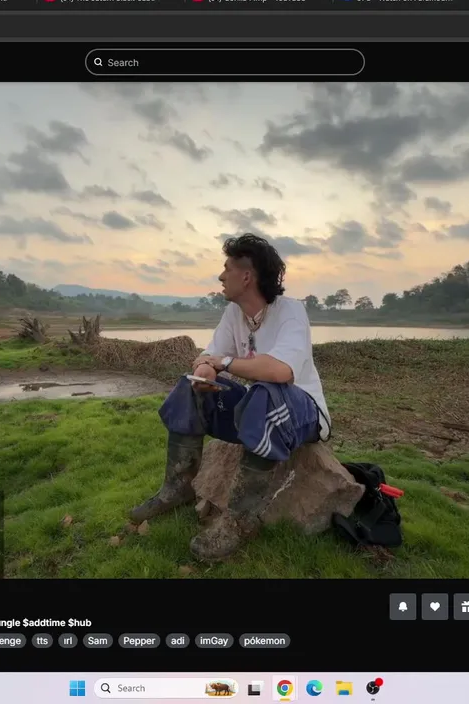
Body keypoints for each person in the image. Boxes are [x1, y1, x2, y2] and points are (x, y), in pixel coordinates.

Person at [130, 234, 330, 562]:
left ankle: (239, 521)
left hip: (301, 413)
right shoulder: (233, 314)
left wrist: (222, 363)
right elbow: (207, 357)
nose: (221, 277)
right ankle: (177, 488)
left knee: (266, 393)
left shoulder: (290, 311)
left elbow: (280, 371)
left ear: (246, 276)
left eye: (227, 269)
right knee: (189, 386)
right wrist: (205, 371)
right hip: (259, 406)